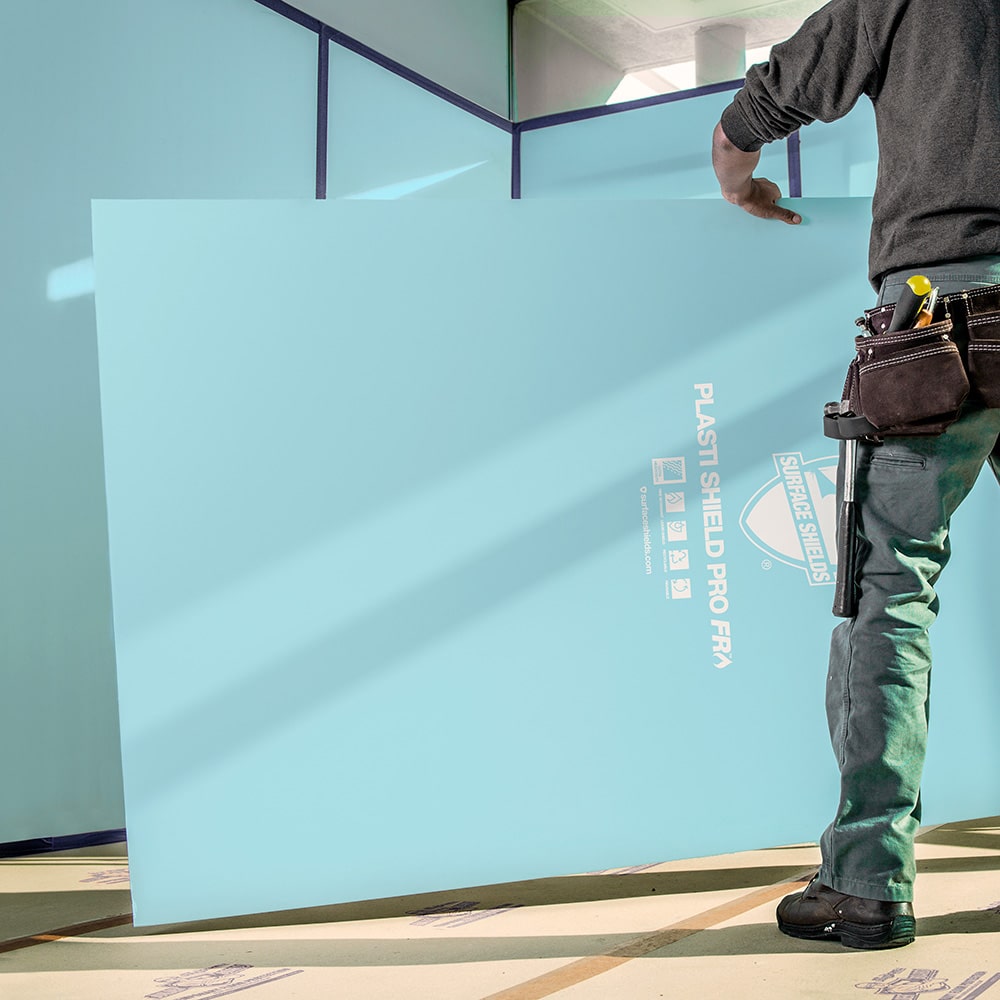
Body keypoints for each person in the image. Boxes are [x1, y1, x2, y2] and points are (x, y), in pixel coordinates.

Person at [712, 0, 1000, 951]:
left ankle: (868, 883)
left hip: (938, 317)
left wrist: (738, 173)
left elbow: (772, 100)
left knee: (890, 593)